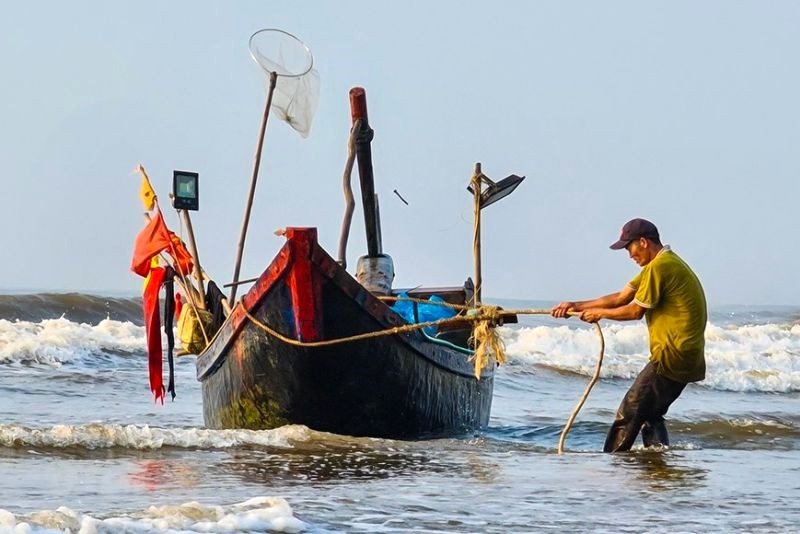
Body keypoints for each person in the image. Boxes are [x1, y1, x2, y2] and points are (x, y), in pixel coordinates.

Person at [552, 218, 707, 452]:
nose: (629, 255)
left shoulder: (660, 267)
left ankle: (610, 462)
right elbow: (621, 297)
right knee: (650, 415)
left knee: (630, 411)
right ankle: (657, 463)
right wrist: (576, 305)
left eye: (629, 247)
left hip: (671, 354)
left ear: (643, 242)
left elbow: (635, 310)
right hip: (688, 357)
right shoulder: (663, 264)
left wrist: (599, 314)